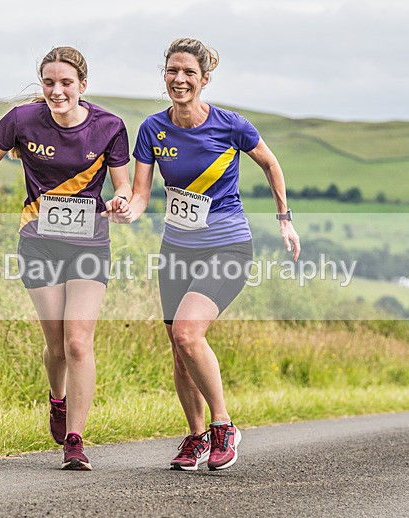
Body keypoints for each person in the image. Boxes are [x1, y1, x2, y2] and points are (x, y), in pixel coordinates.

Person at [125, 37, 300, 471]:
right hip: (176, 250)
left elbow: (271, 164)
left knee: (187, 333)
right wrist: (124, 211)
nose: (179, 79)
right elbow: (143, 195)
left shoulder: (230, 125)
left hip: (228, 245)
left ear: (205, 78)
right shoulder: (152, 129)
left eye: (188, 72)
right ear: (163, 75)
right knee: (179, 352)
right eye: (172, 71)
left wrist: (284, 218)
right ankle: (195, 437)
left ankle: (224, 426)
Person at [0, 46, 132, 471]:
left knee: (79, 341)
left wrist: (119, 202)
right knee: (57, 344)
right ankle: (56, 399)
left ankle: (75, 441)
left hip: (89, 243)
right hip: (38, 240)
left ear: (83, 85)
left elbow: (123, 187)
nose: (57, 91)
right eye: (49, 83)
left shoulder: (110, 127)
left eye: (65, 83)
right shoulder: (23, 120)